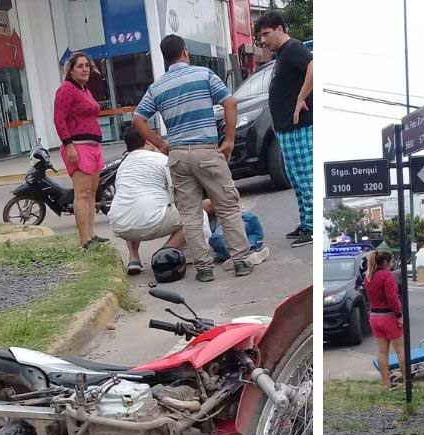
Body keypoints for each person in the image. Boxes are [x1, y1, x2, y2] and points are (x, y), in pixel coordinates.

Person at [133, 34, 252, 284]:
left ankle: (203, 268)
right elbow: (230, 103)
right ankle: (241, 260)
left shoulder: (157, 87)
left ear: (165, 58)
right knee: (227, 205)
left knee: (190, 214)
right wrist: (229, 139)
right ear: (185, 51)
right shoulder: (203, 74)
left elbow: (138, 119)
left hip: (177, 155)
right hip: (207, 150)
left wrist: (161, 145)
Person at [254, 11, 313, 248]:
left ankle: (312, 227)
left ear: (280, 28)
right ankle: (306, 223)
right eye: (261, 36)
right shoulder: (283, 54)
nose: (263, 40)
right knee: (297, 180)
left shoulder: (293, 48)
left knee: (305, 178)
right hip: (286, 129)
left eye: (266, 34)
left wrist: (301, 97)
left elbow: (314, 66)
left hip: (299, 127)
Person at [109, 126, 184, 274]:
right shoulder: (161, 159)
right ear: (148, 141)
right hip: (152, 222)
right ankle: (163, 254)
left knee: (132, 207)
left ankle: (133, 258)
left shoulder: (122, 166)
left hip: (120, 226)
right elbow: (177, 192)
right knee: (194, 215)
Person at [54, 52, 107, 250]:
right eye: (80, 66)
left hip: (94, 147)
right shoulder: (66, 89)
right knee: (82, 193)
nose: (85, 69)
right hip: (78, 146)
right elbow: (59, 119)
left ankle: (91, 234)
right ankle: (84, 239)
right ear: (71, 70)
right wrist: (69, 145)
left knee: (92, 193)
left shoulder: (85, 90)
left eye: (87, 65)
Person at [363, 251, 406, 390]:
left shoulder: (368, 277)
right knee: (401, 351)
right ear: (386, 262)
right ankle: (407, 383)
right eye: (392, 262)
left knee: (382, 352)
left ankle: (386, 384)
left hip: (374, 317)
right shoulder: (386, 275)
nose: (392, 265)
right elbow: (392, 298)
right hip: (388, 316)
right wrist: (399, 315)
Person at [201, 199, 269, 269]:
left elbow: (208, 204)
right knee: (245, 247)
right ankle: (248, 255)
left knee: (215, 239)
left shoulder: (199, 211)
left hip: (243, 220)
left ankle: (239, 259)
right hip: (253, 233)